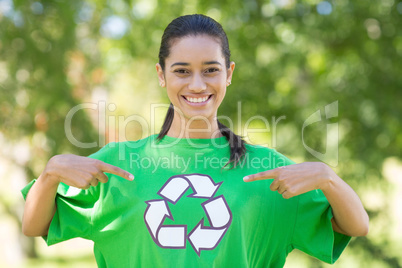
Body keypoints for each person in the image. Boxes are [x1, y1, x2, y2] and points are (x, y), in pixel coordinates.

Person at [21, 14, 369, 267]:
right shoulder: (117, 163)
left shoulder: (267, 169)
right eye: (182, 70)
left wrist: (327, 177)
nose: (198, 85)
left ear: (229, 74)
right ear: (162, 75)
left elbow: (354, 226)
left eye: (211, 69)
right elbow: (35, 225)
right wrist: (51, 174)